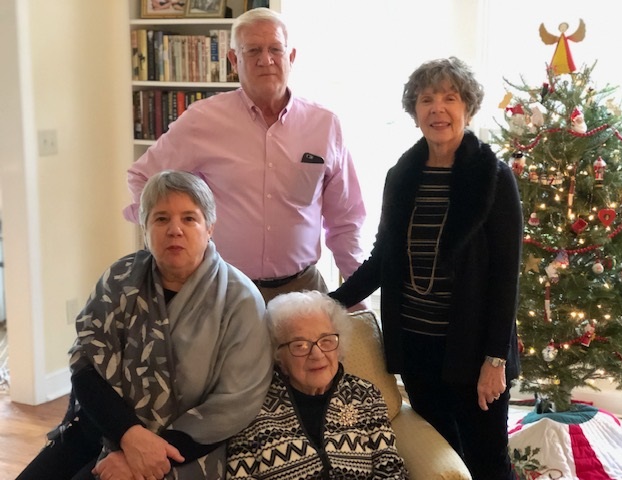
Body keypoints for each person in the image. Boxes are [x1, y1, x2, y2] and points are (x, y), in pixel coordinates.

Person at [329, 57, 523, 480]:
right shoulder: (401, 176)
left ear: (467, 108)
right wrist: (327, 302)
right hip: (417, 347)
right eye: (426, 99)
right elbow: (382, 258)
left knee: (488, 460)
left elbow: (506, 274)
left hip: (475, 352)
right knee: (441, 456)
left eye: (449, 98)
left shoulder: (493, 176)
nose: (438, 109)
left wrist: (495, 361)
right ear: (414, 112)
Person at [17, 170, 273, 480]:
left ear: (210, 228)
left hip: (184, 448)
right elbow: (85, 366)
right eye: (161, 219)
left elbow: (236, 402)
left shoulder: (240, 300)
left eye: (189, 219)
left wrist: (144, 455)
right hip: (102, 427)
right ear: (145, 228)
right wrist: (129, 437)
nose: (175, 230)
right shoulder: (120, 279)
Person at [123, 7, 367, 305]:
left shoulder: (325, 125)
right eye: (253, 50)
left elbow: (346, 220)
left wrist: (358, 294)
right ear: (233, 60)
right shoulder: (203, 121)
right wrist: (163, 236)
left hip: (304, 290)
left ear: (291, 57)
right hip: (225, 290)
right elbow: (142, 177)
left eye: (275, 49)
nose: (266, 60)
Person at [226, 290, 409, 479]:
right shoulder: (252, 405)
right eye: (300, 345)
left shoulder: (364, 395)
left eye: (326, 340)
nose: (317, 354)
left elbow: (391, 468)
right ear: (278, 355)